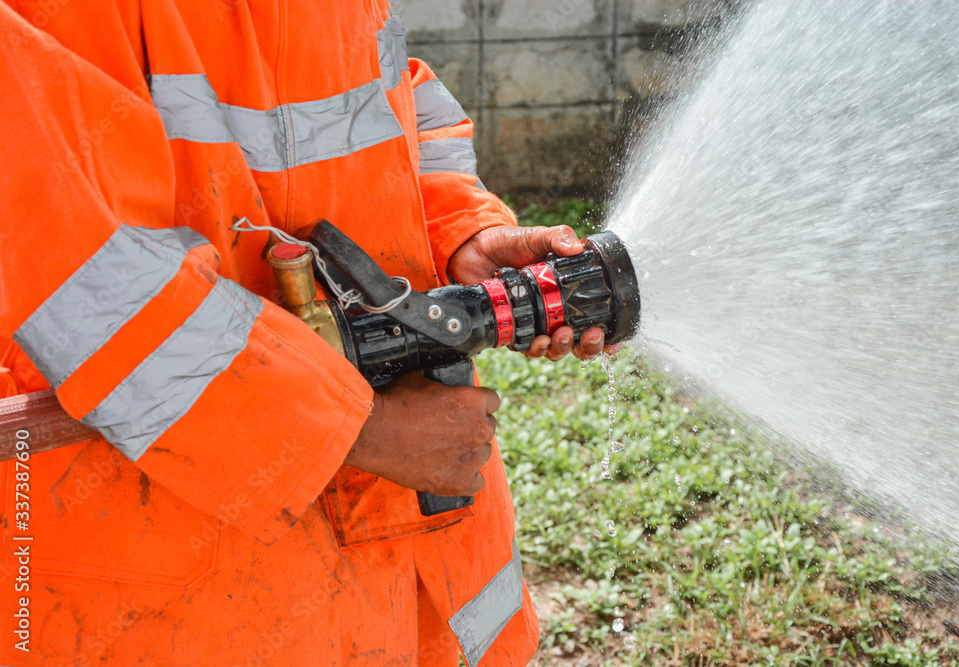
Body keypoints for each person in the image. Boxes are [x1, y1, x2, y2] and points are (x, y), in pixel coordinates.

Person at [0, 1, 610, 664]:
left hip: (392, 552)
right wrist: (358, 430)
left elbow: (392, 106)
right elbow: (85, 276)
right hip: (180, 584)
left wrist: (459, 229)